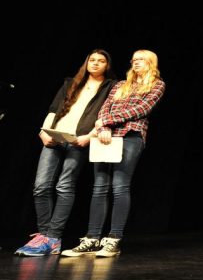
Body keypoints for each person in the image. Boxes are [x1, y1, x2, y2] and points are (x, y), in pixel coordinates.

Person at [62, 49, 165, 258]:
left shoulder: (157, 85)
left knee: (120, 186)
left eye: (141, 60)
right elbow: (104, 109)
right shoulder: (120, 85)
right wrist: (103, 128)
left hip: (131, 136)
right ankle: (92, 238)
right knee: (99, 187)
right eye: (133, 59)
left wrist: (107, 122)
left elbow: (141, 109)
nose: (135, 63)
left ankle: (113, 239)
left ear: (151, 63)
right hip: (105, 137)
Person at [14, 50, 117, 257]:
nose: (96, 64)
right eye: (92, 60)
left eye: (101, 61)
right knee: (41, 186)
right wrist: (43, 131)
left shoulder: (111, 87)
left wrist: (89, 136)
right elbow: (53, 109)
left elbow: (107, 116)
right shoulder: (71, 82)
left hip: (78, 139)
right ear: (86, 63)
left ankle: (53, 237)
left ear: (107, 65)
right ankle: (44, 235)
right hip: (54, 135)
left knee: (64, 185)